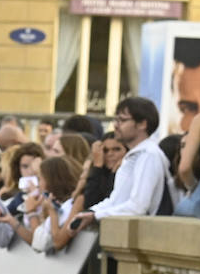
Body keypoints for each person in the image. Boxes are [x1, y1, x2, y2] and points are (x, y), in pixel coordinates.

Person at [71, 96, 170, 228]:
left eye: (122, 120)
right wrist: (90, 213)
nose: (116, 125)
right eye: (116, 119)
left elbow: (138, 207)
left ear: (142, 124)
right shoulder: (137, 154)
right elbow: (116, 200)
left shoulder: (149, 155)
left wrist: (95, 216)